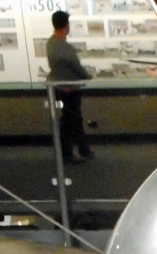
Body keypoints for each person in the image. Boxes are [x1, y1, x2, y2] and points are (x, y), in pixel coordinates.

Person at [47, 10, 93, 163]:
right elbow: (75, 66)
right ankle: (68, 154)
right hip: (68, 89)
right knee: (69, 123)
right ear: (66, 25)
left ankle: (83, 149)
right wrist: (88, 77)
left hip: (63, 88)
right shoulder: (64, 48)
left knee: (74, 121)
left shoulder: (51, 42)